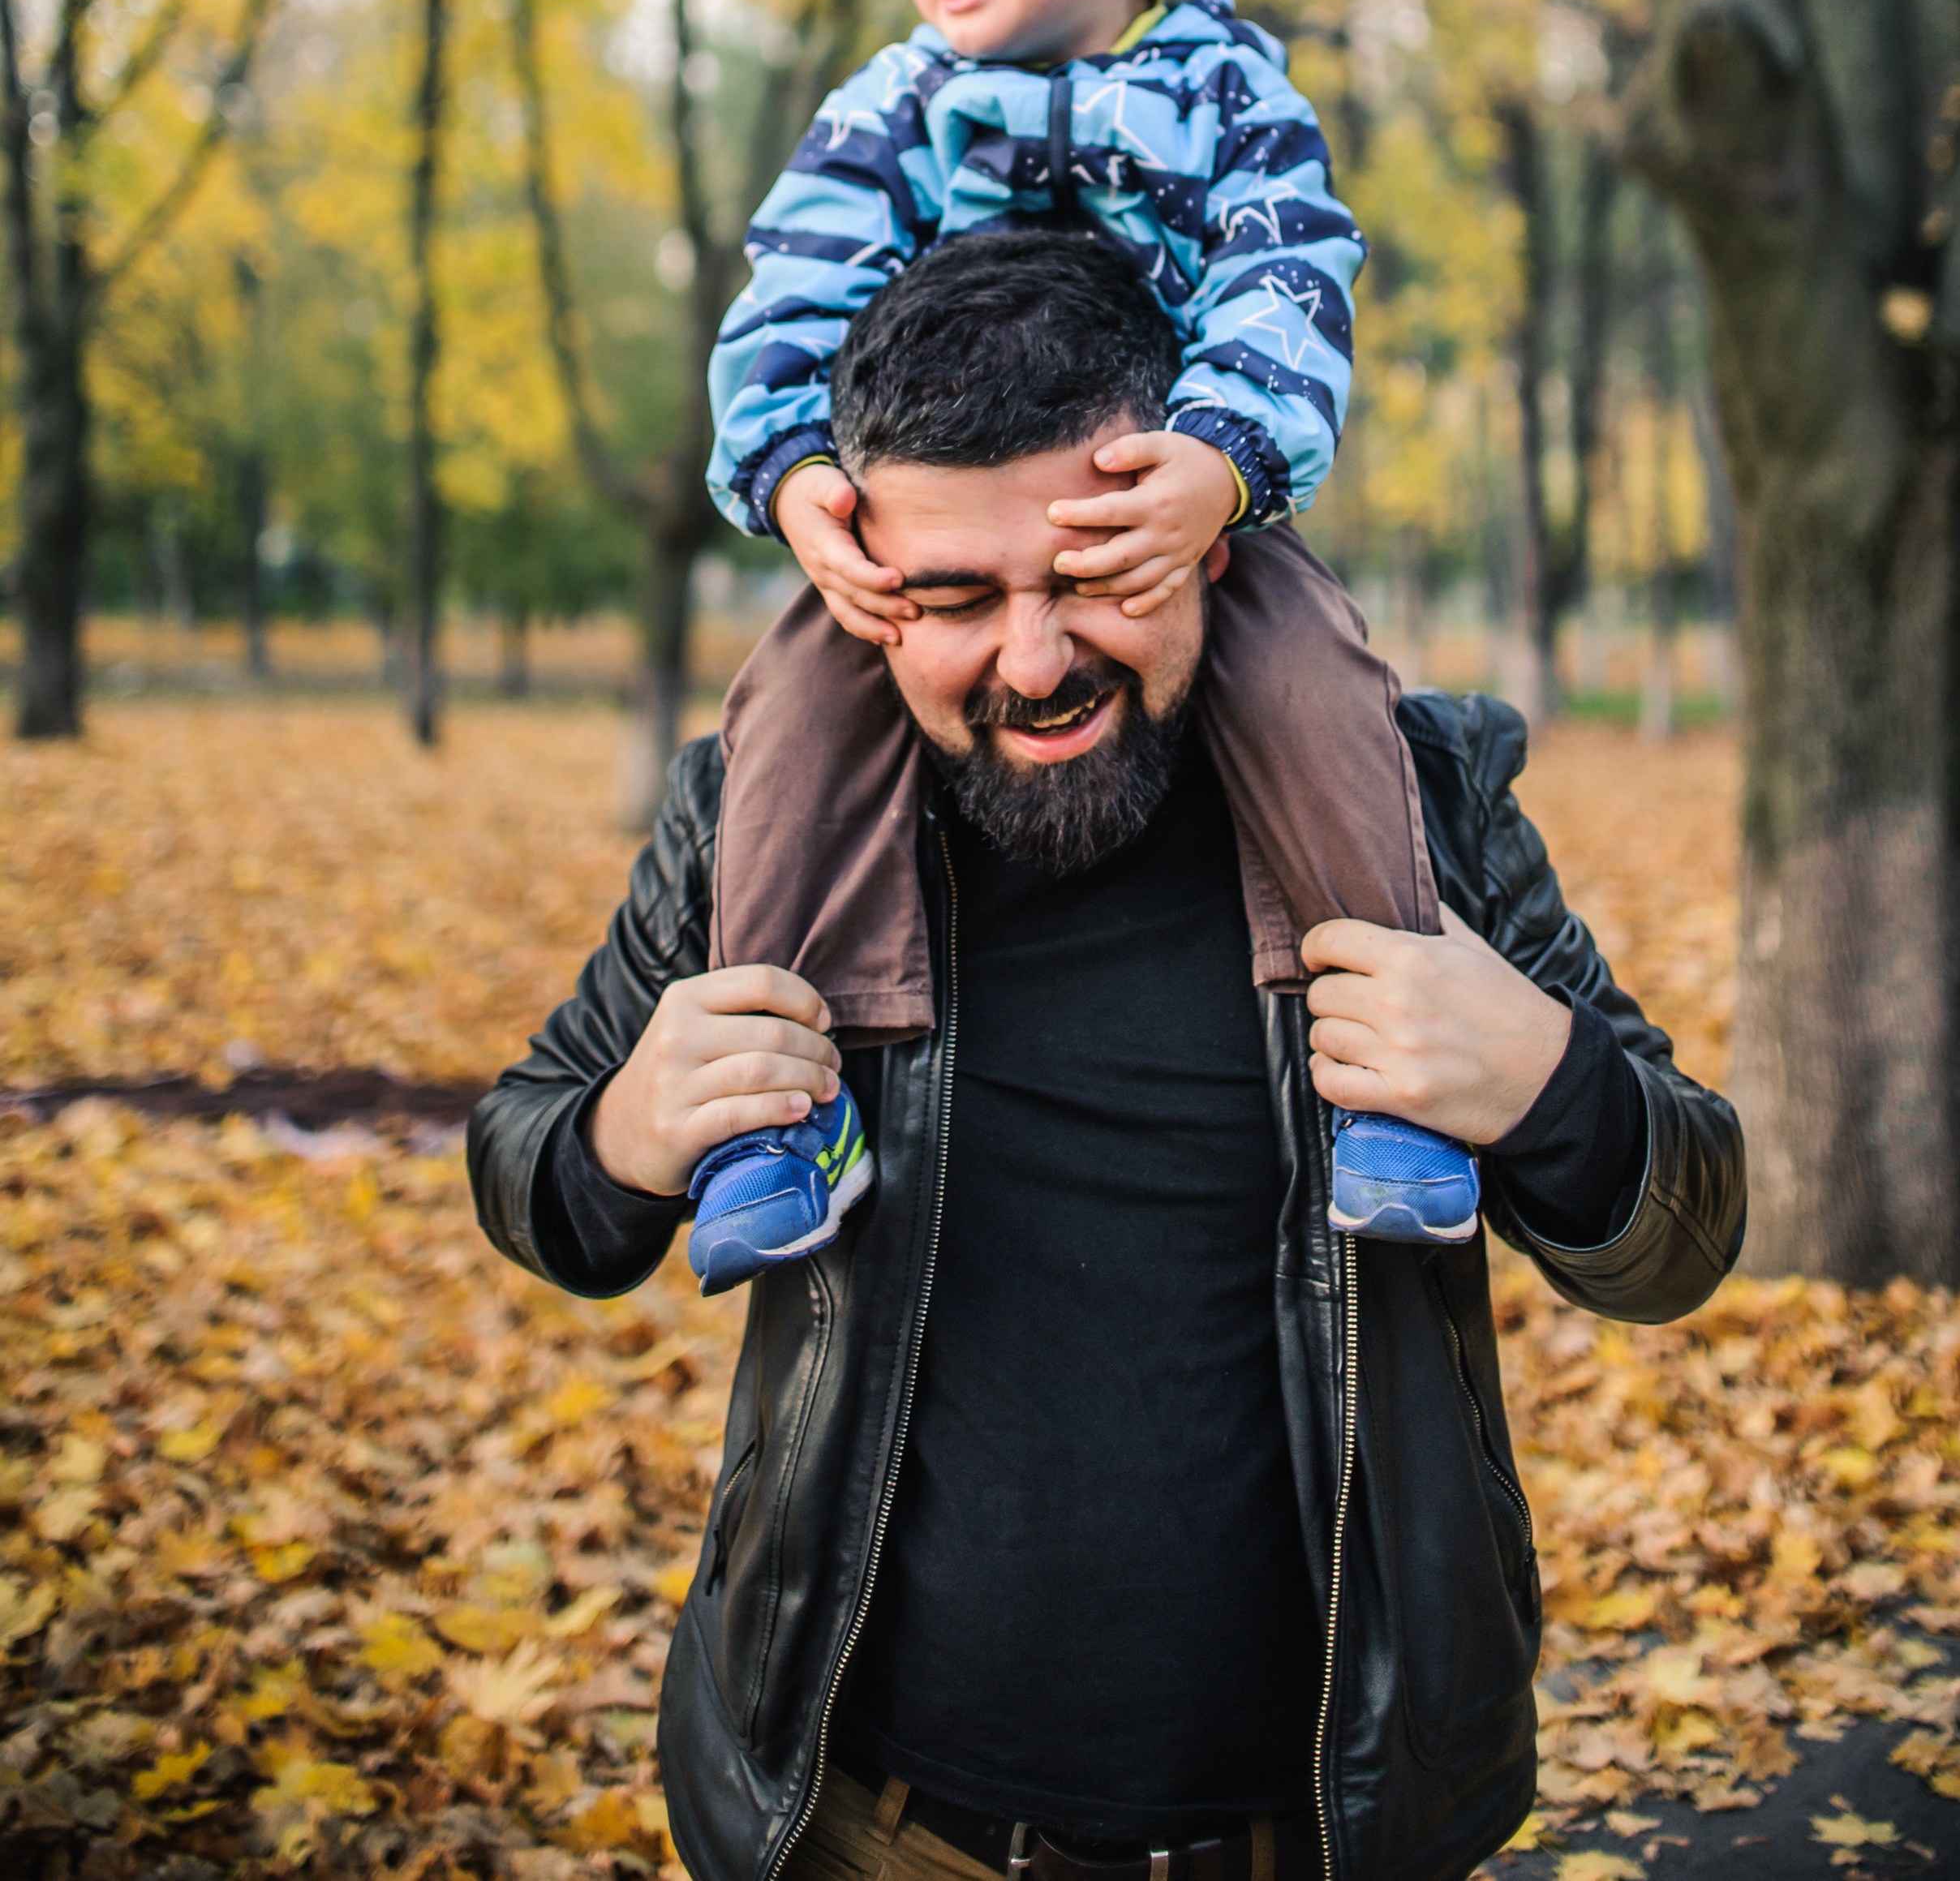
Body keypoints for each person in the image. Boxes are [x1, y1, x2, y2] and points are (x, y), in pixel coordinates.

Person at [468, 223, 1745, 1881]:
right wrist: (626, 1130)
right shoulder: (765, 842)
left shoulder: (1405, 817)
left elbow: (1685, 1230)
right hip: (867, 1830)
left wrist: (1545, 1083)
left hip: (1320, 1835)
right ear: (865, 590)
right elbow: (528, 1160)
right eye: (952, 597)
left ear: (1201, 536)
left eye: (1087, 577)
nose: (1032, 658)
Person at [695, 0, 1470, 1288]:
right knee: (785, 722)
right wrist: (788, 473)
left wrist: (1225, 454)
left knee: (1315, 686)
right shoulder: (892, 107)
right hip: (922, 540)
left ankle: (1395, 1074)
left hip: (1166, 511)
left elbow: (1287, 273)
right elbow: (794, 281)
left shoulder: (1224, 94)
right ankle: (773, 1094)